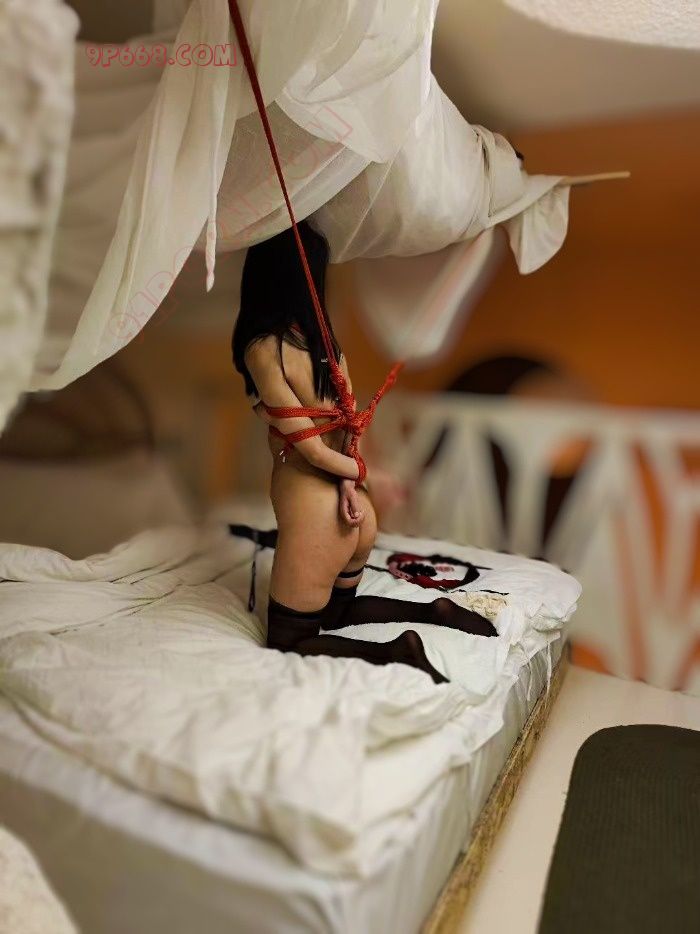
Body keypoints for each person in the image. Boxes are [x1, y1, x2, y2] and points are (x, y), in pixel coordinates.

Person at [232, 221, 495, 684]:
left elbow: (311, 449)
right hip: (355, 507)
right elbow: (349, 430)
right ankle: (433, 610)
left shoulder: (264, 349)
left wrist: (359, 474)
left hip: (315, 508)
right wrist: (356, 483)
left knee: (289, 640)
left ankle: (398, 649)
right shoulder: (329, 349)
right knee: (337, 613)